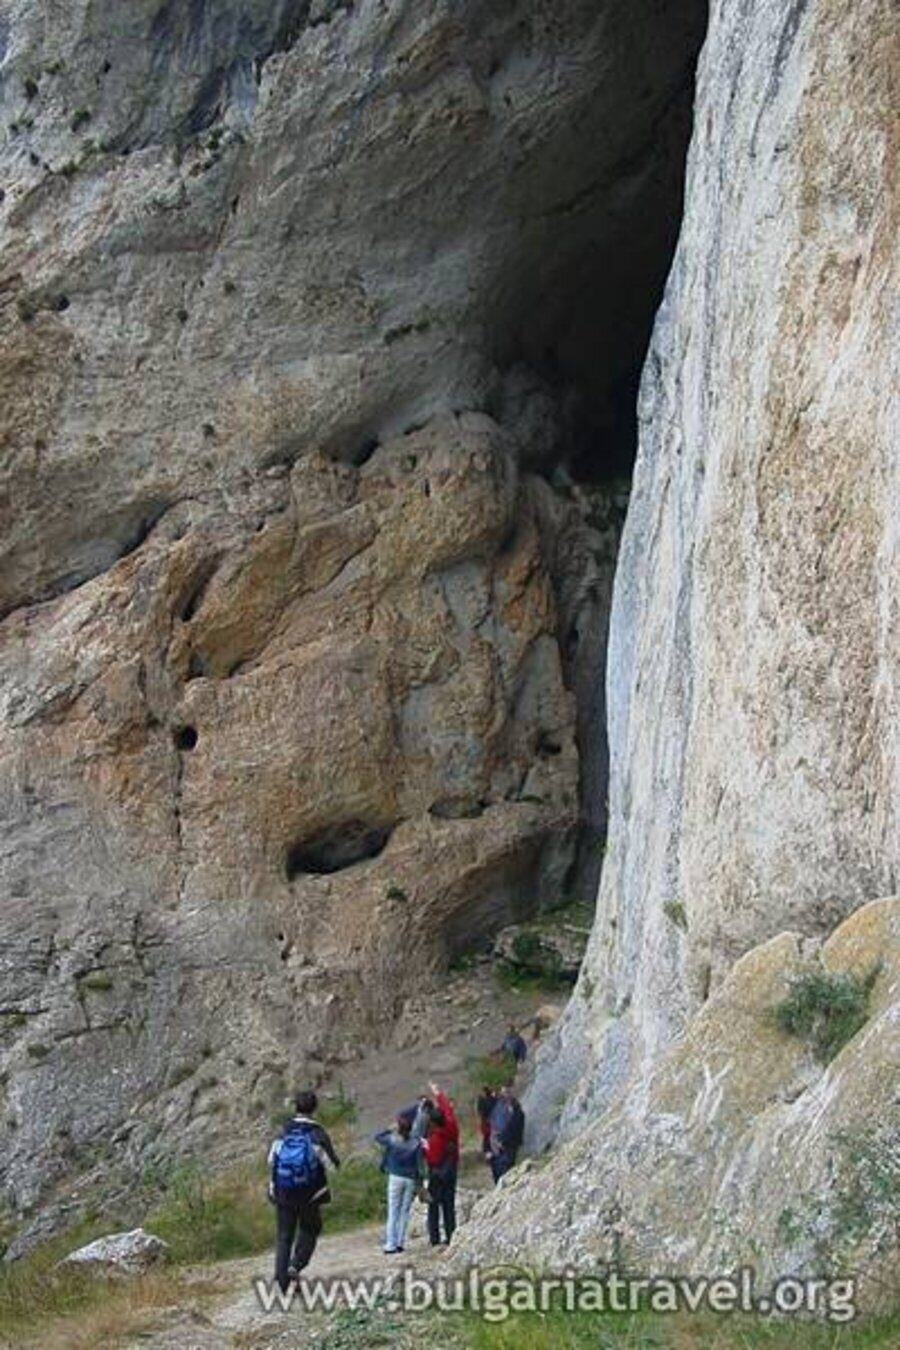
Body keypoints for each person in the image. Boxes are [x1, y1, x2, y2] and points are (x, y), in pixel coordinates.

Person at [267, 1089, 340, 1292]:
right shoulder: (318, 1133)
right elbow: (332, 1166)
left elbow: (271, 1160)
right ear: (314, 1108)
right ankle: (295, 1265)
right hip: (310, 1195)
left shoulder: (284, 1131)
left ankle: (281, 1283)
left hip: (282, 1191)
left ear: (296, 1107)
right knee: (311, 1228)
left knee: (284, 1236)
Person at [373, 1115, 424, 1254]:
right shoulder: (416, 1143)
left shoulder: (392, 1140)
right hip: (410, 1178)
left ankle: (391, 1244)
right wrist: (420, 1181)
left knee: (393, 1211)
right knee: (404, 1211)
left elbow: (376, 1137)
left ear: (399, 1129)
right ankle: (400, 1242)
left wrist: (389, 1129)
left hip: (395, 1177)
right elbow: (419, 1164)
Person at [421, 1081, 459, 1245]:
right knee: (449, 1205)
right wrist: (438, 1093)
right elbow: (447, 1110)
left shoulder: (435, 1138)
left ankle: (434, 1237)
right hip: (451, 1169)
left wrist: (424, 1147)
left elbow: (432, 1158)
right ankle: (451, 1235)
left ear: (433, 1123)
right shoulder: (452, 1127)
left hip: (437, 1174)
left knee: (433, 1206)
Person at [488, 1082, 524, 1184]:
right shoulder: (498, 1106)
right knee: (496, 1168)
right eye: (504, 1092)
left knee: (505, 1169)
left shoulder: (516, 1109)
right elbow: (492, 1125)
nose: (505, 1094)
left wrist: (503, 1141)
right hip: (497, 1143)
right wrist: (493, 1142)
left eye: (508, 1092)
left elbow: (515, 1128)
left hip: (508, 1144)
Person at [476, 1085, 496, 1159]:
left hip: (487, 1121)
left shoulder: (483, 1100)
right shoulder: (491, 1099)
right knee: (488, 1136)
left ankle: (489, 1152)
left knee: (488, 1136)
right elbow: (480, 1112)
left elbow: (479, 1112)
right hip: (488, 1121)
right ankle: (489, 1152)